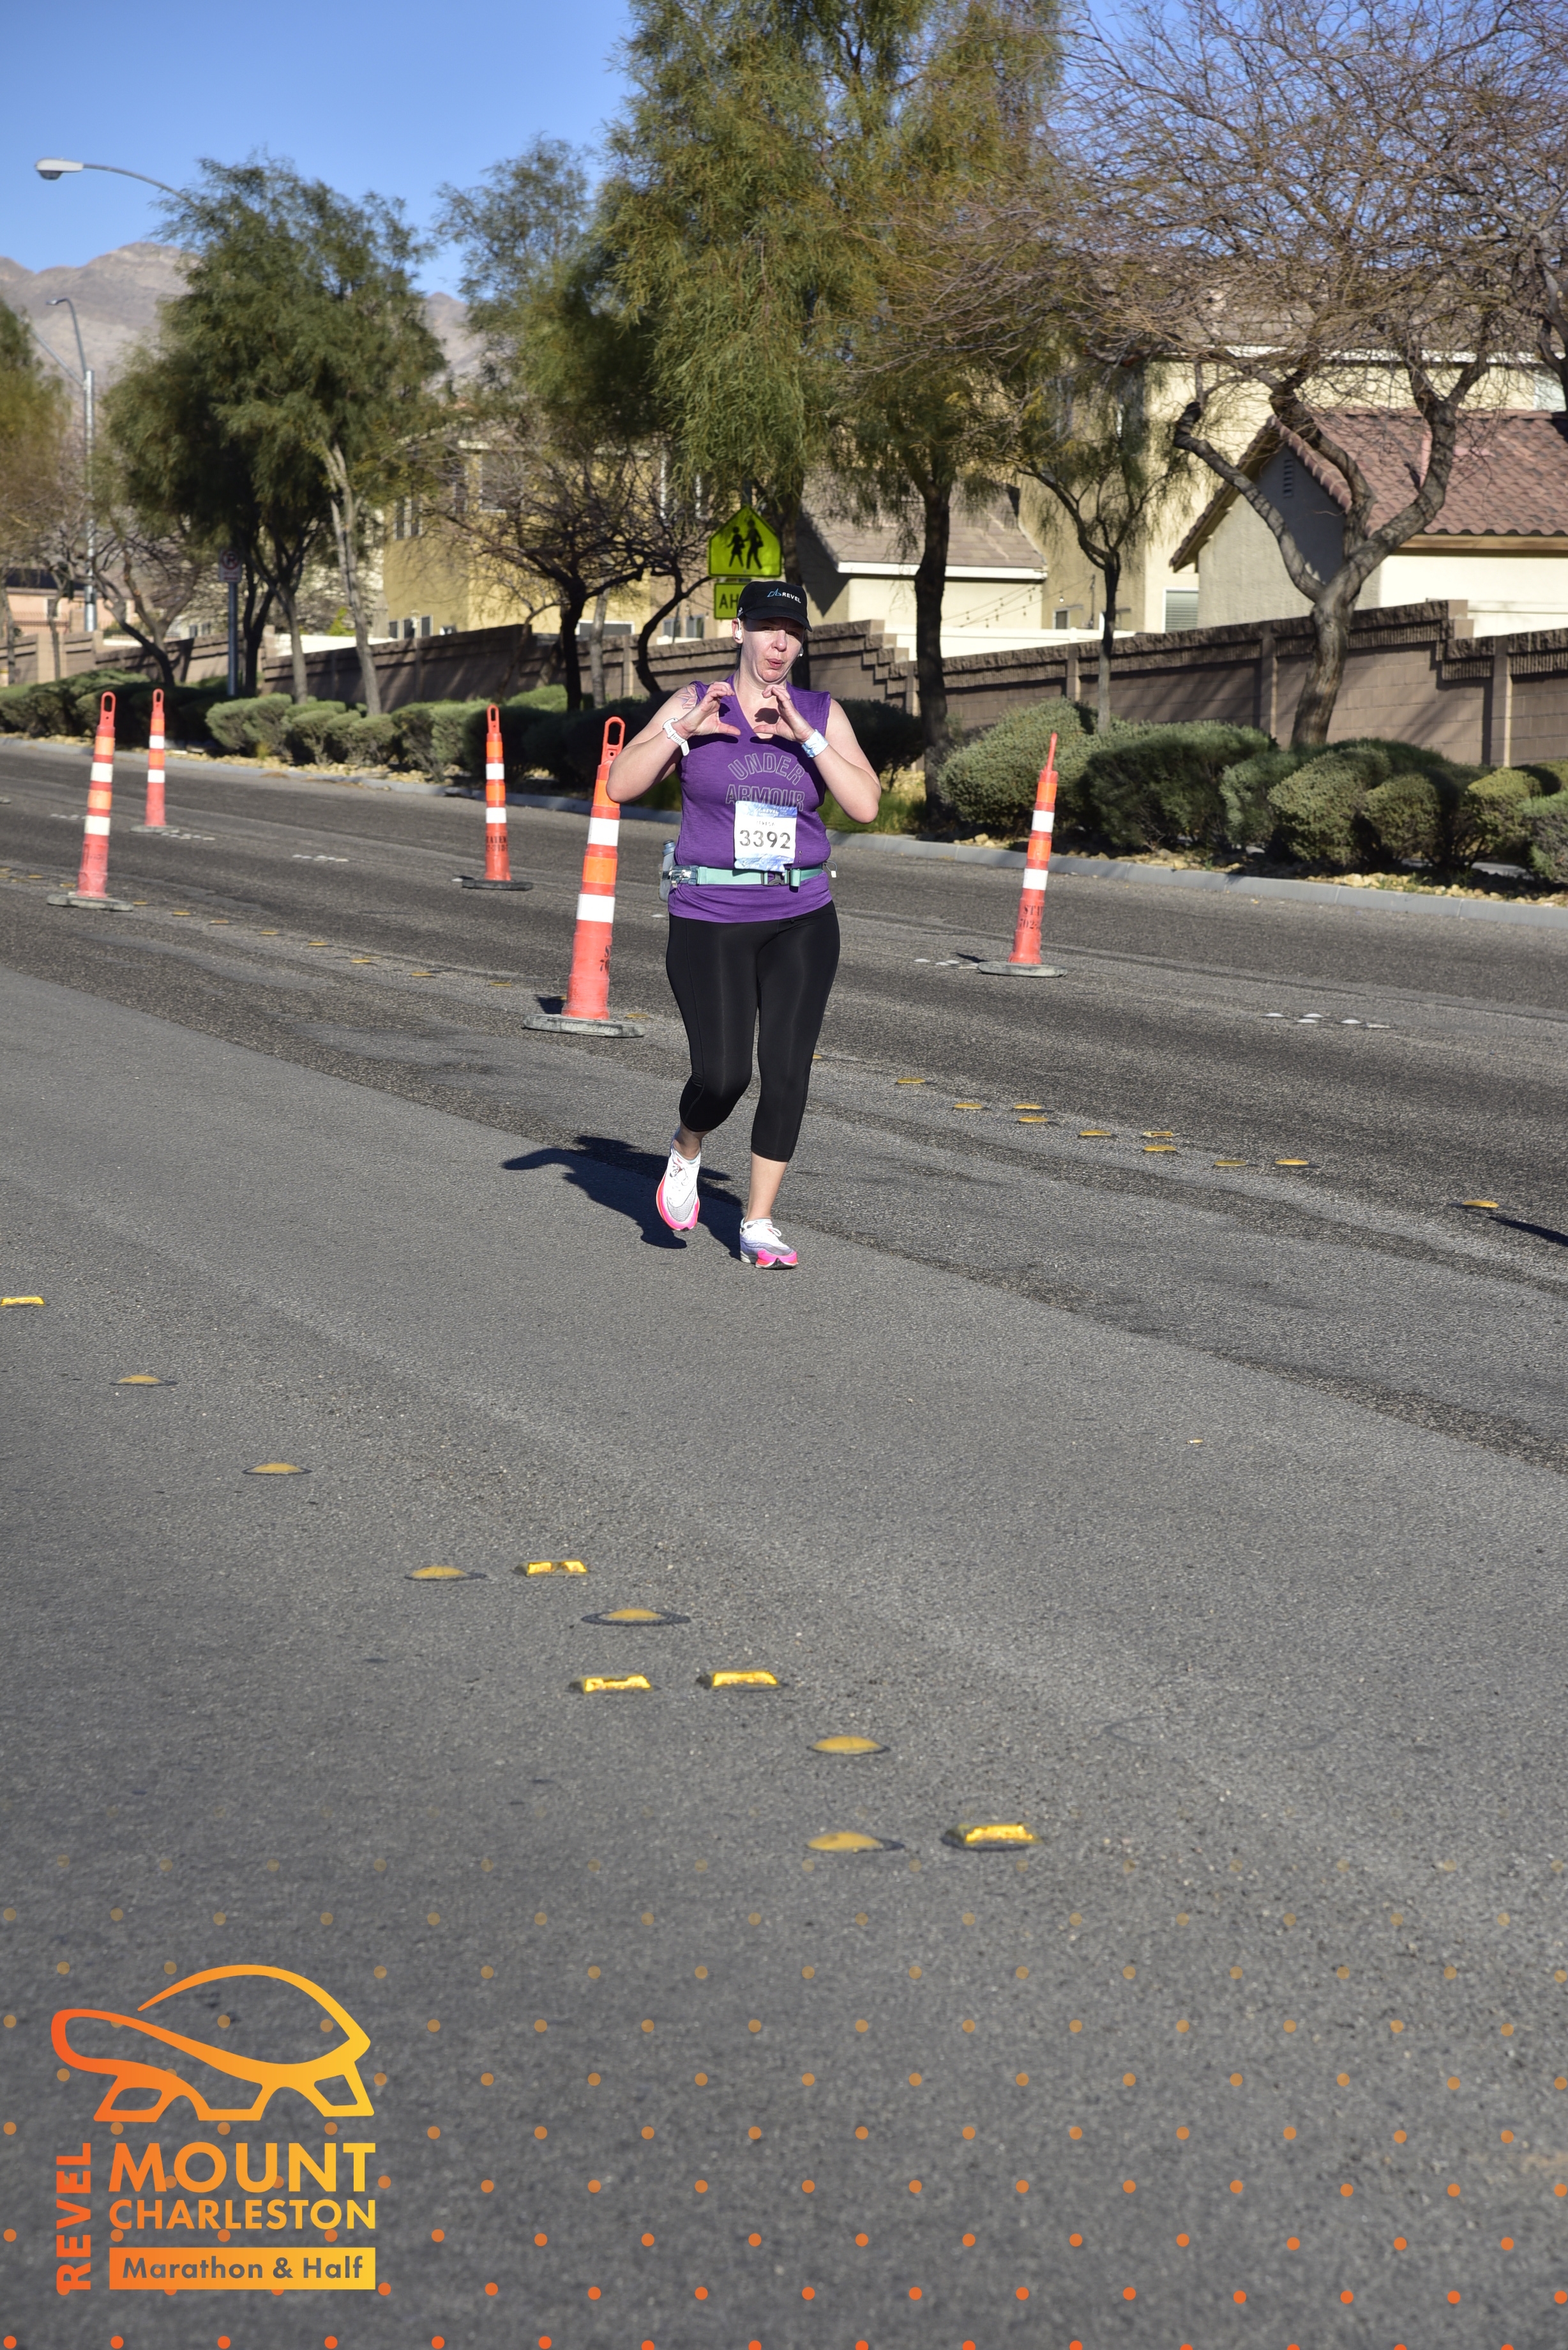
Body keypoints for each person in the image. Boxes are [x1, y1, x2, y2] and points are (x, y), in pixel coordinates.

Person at [606, 577, 881, 1266]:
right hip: (710, 917)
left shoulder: (819, 712)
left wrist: (807, 737)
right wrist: (682, 731)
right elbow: (619, 784)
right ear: (739, 631)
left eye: (792, 632)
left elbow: (865, 804)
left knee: (786, 1072)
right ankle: (687, 1144)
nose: (779, 643)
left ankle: (758, 1221)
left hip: (802, 916)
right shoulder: (696, 701)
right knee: (723, 1076)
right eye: (766, 628)